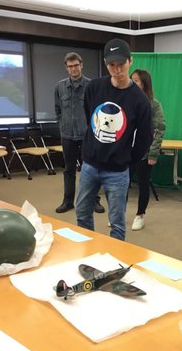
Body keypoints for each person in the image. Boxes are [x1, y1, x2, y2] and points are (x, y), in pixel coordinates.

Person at [75, 38, 153, 241]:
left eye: (121, 64)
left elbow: (145, 138)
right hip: (90, 165)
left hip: (117, 171)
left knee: (117, 222)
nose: (117, 70)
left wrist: (128, 161)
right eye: (112, 65)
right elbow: (90, 118)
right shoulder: (94, 87)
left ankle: (114, 264)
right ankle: (87, 253)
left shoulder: (140, 100)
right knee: (82, 213)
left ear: (130, 61)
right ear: (105, 64)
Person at [54, 52, 105, 214]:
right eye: (70, 66)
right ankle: (68, 201)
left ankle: (94, 200)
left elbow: (97, 111)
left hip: (87, 136)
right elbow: (58, 110)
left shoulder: (91, 85)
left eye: (76, 65)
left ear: (81, 65)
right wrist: (63, 126)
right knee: (69, 170)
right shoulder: (60, 87)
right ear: (66, 68)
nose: (73, 69)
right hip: (67, 136)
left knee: (90, 169)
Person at [129, 69, 166, 231]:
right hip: (126, 151)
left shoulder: (154, 104)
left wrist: (153, 153)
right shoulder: (126, 100)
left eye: (136, 80)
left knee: (143, 184)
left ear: (144, 83)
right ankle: (117, 214)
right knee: (122, 183)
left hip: (144, 152)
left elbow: (159, 129)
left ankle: (140, 215)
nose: (133, 83)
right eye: (132, 80)